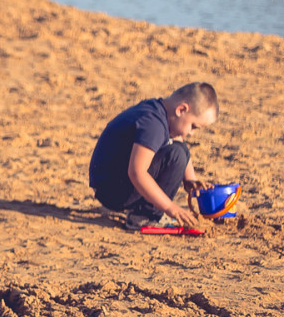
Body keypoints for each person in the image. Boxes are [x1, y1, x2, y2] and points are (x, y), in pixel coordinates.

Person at [88, 82, 218, 231]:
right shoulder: (153, 125)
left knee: (179, 150)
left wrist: (190, 179)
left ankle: (144, 211)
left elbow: (178, 141)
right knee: (176, 155)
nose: (191, 133)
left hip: (113, 183)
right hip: (112, 191)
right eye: (193, 126)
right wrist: (170, 207)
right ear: (181, 109)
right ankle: (144, 216)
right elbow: (137, 172)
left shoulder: (159, 111)